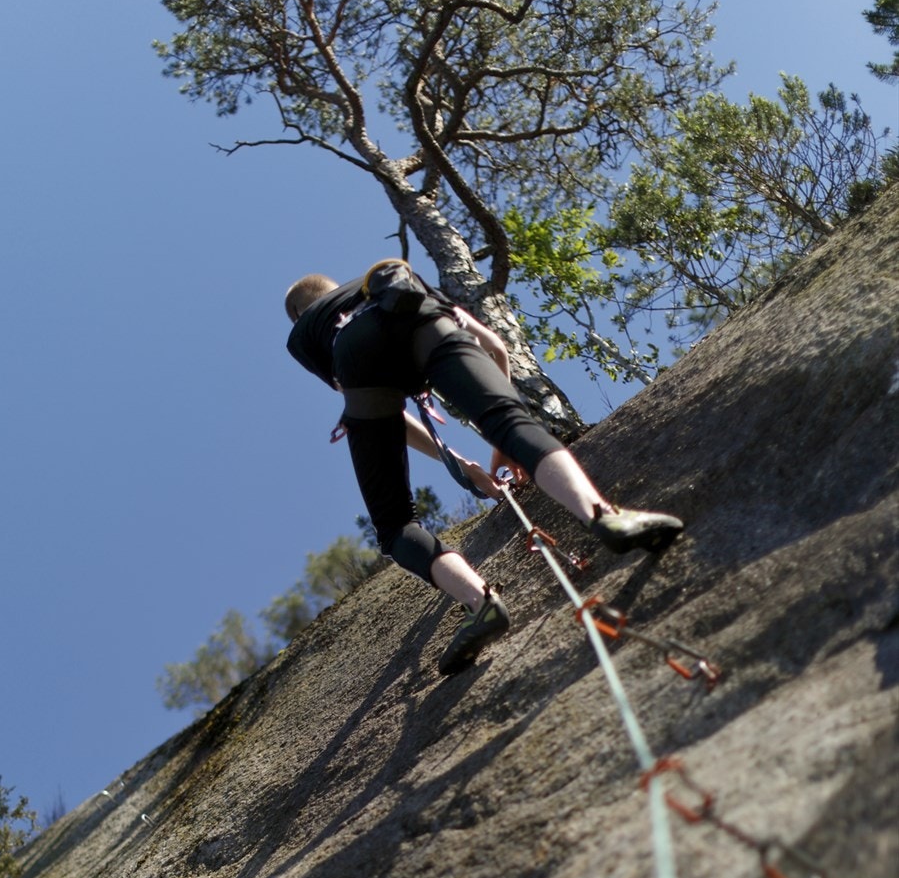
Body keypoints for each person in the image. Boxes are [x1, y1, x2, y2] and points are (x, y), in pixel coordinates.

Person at [286, 262, 683, 674]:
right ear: (337, 285)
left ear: (298, 312)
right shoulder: (389, 279)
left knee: (395, 525)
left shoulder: (306, 330)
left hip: (353, 351)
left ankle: (481, 604)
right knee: (514, 426)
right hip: (424, 321)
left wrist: (460, 464)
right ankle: (603, 515)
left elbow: (373, 402)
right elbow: (495, 347)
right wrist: (500, 440)